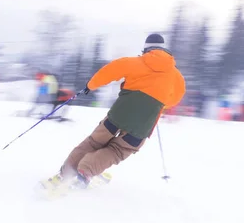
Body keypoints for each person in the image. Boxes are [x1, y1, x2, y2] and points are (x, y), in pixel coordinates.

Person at [49, 33, 186, 188]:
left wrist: (90, 86)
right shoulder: (177, 77)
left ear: (146, 49)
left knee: (94, 142)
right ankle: (87, 170)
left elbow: (109, 71)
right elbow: (174, 99)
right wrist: (158, 104)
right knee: (118, 150)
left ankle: (66, 172)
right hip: (143, 123)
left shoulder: (134, 62)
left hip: (119, 114)